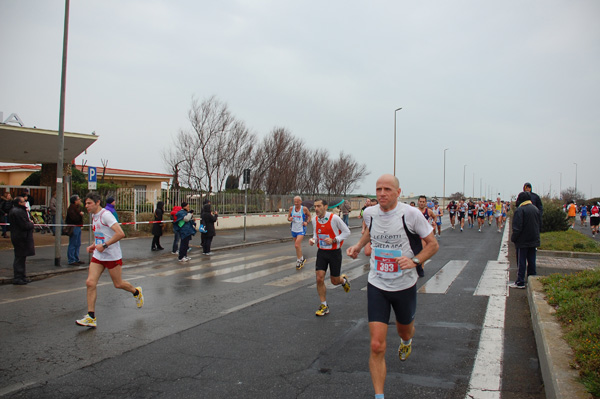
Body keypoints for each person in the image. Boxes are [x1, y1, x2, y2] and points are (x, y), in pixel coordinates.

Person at [346, 174, 439, 398]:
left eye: (387, 189)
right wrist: (358, 245)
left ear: (398, 192)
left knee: (403, 329)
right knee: (377, 345)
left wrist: (415, 261)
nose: (382, 193)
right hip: (377, 283)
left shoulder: (412, 214)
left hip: (404, 284)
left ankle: (406, 340)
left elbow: (433, 245)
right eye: (378, 189)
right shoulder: (369, 213)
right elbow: (371, 230)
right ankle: (379, 395)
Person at [76, 193, 143, 328]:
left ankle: (136, 292)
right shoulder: (94, 216)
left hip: (112, 255)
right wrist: (95, 245)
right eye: (86, 203)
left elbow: (120, 233)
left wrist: (105, 245)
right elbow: (101, 235)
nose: (86, 206)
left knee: (118, 284)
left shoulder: (106, 215)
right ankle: (91, 317)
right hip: (99, 255)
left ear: (97, 202)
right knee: (90, 282)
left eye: (89, 203)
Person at [308, 198, 351, 316]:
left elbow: (347, 232)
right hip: (322, 252)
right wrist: (313, 240)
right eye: (315, 206)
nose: (316, 209)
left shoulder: (334, 218)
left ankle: (343, 280)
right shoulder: (314, 220)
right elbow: (316, 234)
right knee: (319, 278)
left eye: (318, 206)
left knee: (334, 281)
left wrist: (334, 240)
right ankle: (324, 305)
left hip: (334, 253)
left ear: (325, 207)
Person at [509, 191, 541, 289]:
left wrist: (514, 238)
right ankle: (532, 280)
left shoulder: (520, 210)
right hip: (534, 239)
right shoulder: (535, 209)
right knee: (532, 261)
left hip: (523, 241)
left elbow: (517, 227)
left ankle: (520, 281)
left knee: (521, 261)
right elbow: (540, 224)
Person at [8, 196, 35, 285]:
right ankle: (18, 277)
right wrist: (31, 224)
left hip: (20, 236)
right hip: (21, 237)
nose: (25, 202)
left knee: (22, 257)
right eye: (23, 201)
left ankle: (22, 276)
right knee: (20, 257)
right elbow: (24, 225)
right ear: (19, 203)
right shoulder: (18, 212)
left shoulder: (17, 211)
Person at [287, 196, 311, 270]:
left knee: (297, 245)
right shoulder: (291, 208)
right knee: (298, 246)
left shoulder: (304, 209)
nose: (296, 203)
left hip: (301, 229)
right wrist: (289, 219)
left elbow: (309, 216)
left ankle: (298, 261)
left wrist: (306, 222)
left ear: (301, 202)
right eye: (295, 201)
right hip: (293, 229)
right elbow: (288, 218)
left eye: (297, 201)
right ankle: (302, 258)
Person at [65, 195, 85, 266]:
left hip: (77, 227)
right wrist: (80, 215)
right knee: (73, 243)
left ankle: (76, 258)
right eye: (78, 199)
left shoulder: (75, 208)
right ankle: (71, 259)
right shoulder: (72, 208)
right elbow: (74, 219)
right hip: (74, 227)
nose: (80, 201)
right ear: (75, 201)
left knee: (77, 243)